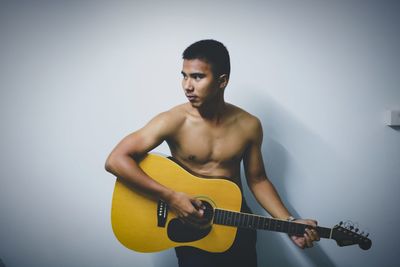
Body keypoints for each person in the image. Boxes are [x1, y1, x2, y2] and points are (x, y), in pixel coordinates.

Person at [105, 39, 320, 267]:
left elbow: (258, 180)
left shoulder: (249, 125)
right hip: (191, 226)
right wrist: (170, 197)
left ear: (222, 81)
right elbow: (115, 160)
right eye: (184, 75)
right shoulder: (172, 121)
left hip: (237, 224)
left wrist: (289, 223)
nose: (187, 86)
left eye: (197, 77)